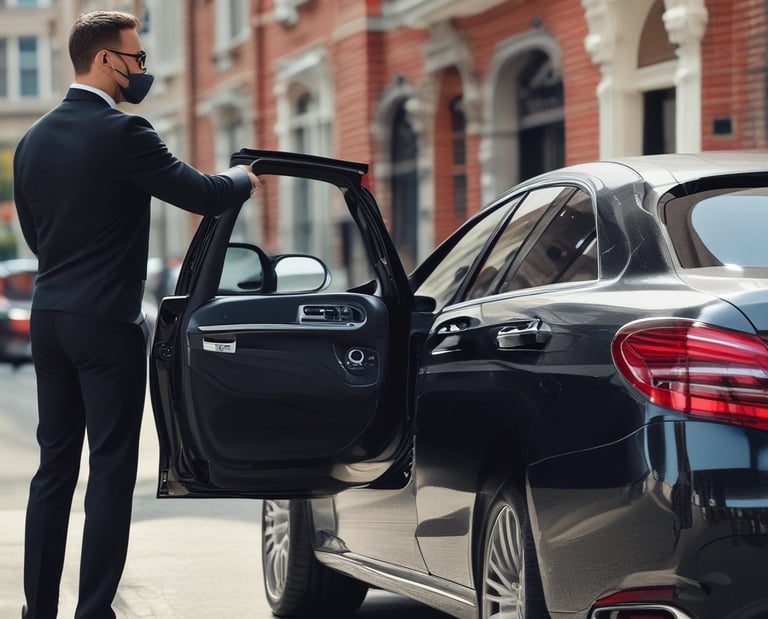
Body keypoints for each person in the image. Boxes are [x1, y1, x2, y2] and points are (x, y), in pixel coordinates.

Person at [12, 10, 260, 619]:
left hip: (50, 318)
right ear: (104, 60)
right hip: (108, 325)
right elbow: (201, 193)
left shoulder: (32, 140)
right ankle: (94, 611)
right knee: (111, 470)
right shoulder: (125, 133)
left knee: (54, 469)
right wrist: (242, 178)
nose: (141, 70)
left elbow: (37, 236)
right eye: (136, 59)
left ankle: (38, 610)